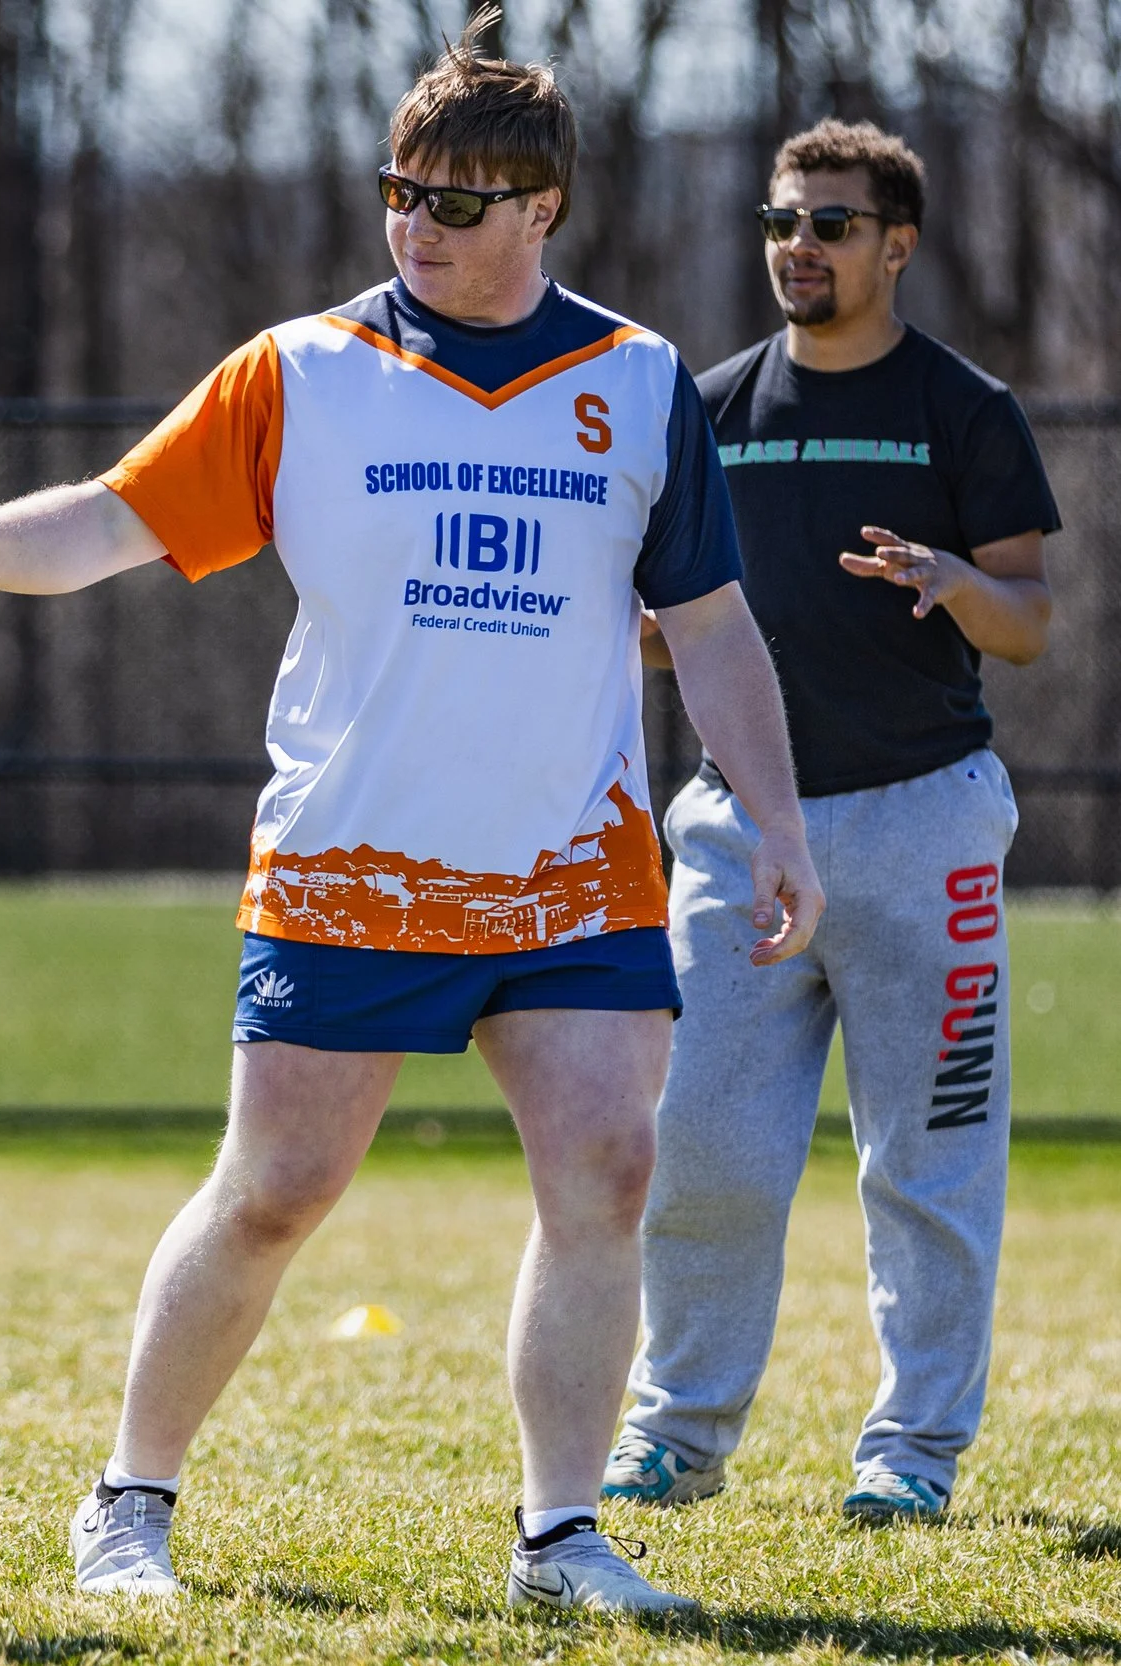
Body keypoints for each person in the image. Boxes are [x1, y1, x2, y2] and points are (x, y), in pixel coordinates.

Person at [0, 21, 822, 1614]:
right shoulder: (299, 372)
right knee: (276, 1191)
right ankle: (128, 1500)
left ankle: (561, 1534)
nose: (418, 225)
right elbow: (112, 520)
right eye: (401, 192)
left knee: (606, 1172)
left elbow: (715, 624)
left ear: (545, 210)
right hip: (351, 859)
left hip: (572, 867)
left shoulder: (641, 381)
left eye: (458, 202)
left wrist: (778, 820)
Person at [605, 120, 1058, 1526]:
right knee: (704, 1148)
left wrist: (947, 577)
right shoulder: (713, 405)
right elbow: (676, 623)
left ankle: (912, 1450)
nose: (799, 245)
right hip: (741, 836)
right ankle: (677, 1430)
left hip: (926, 825)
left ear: (897, 244)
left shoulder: (964, 408)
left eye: (834, 224)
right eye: (783, 220)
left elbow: (1030, 623)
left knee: (930, 1158)